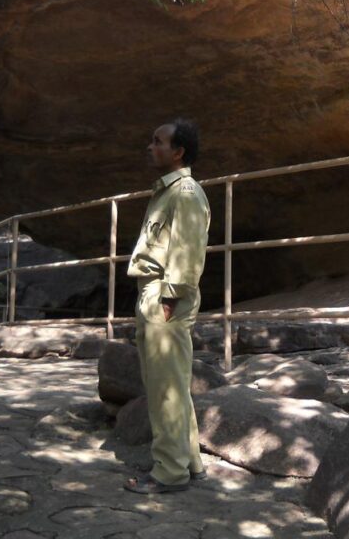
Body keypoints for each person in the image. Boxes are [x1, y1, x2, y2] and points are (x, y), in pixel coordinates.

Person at [124, 119, 211, 494]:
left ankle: (169, 472)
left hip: (165, 295)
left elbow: (188, 254)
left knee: (165, 388)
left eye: (157, 142)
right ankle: (188, 460)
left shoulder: (185, 193)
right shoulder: (168, 192)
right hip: (157, 292)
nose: (150, 146)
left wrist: (168, 300)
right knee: (171, 383)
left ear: (178, 152)